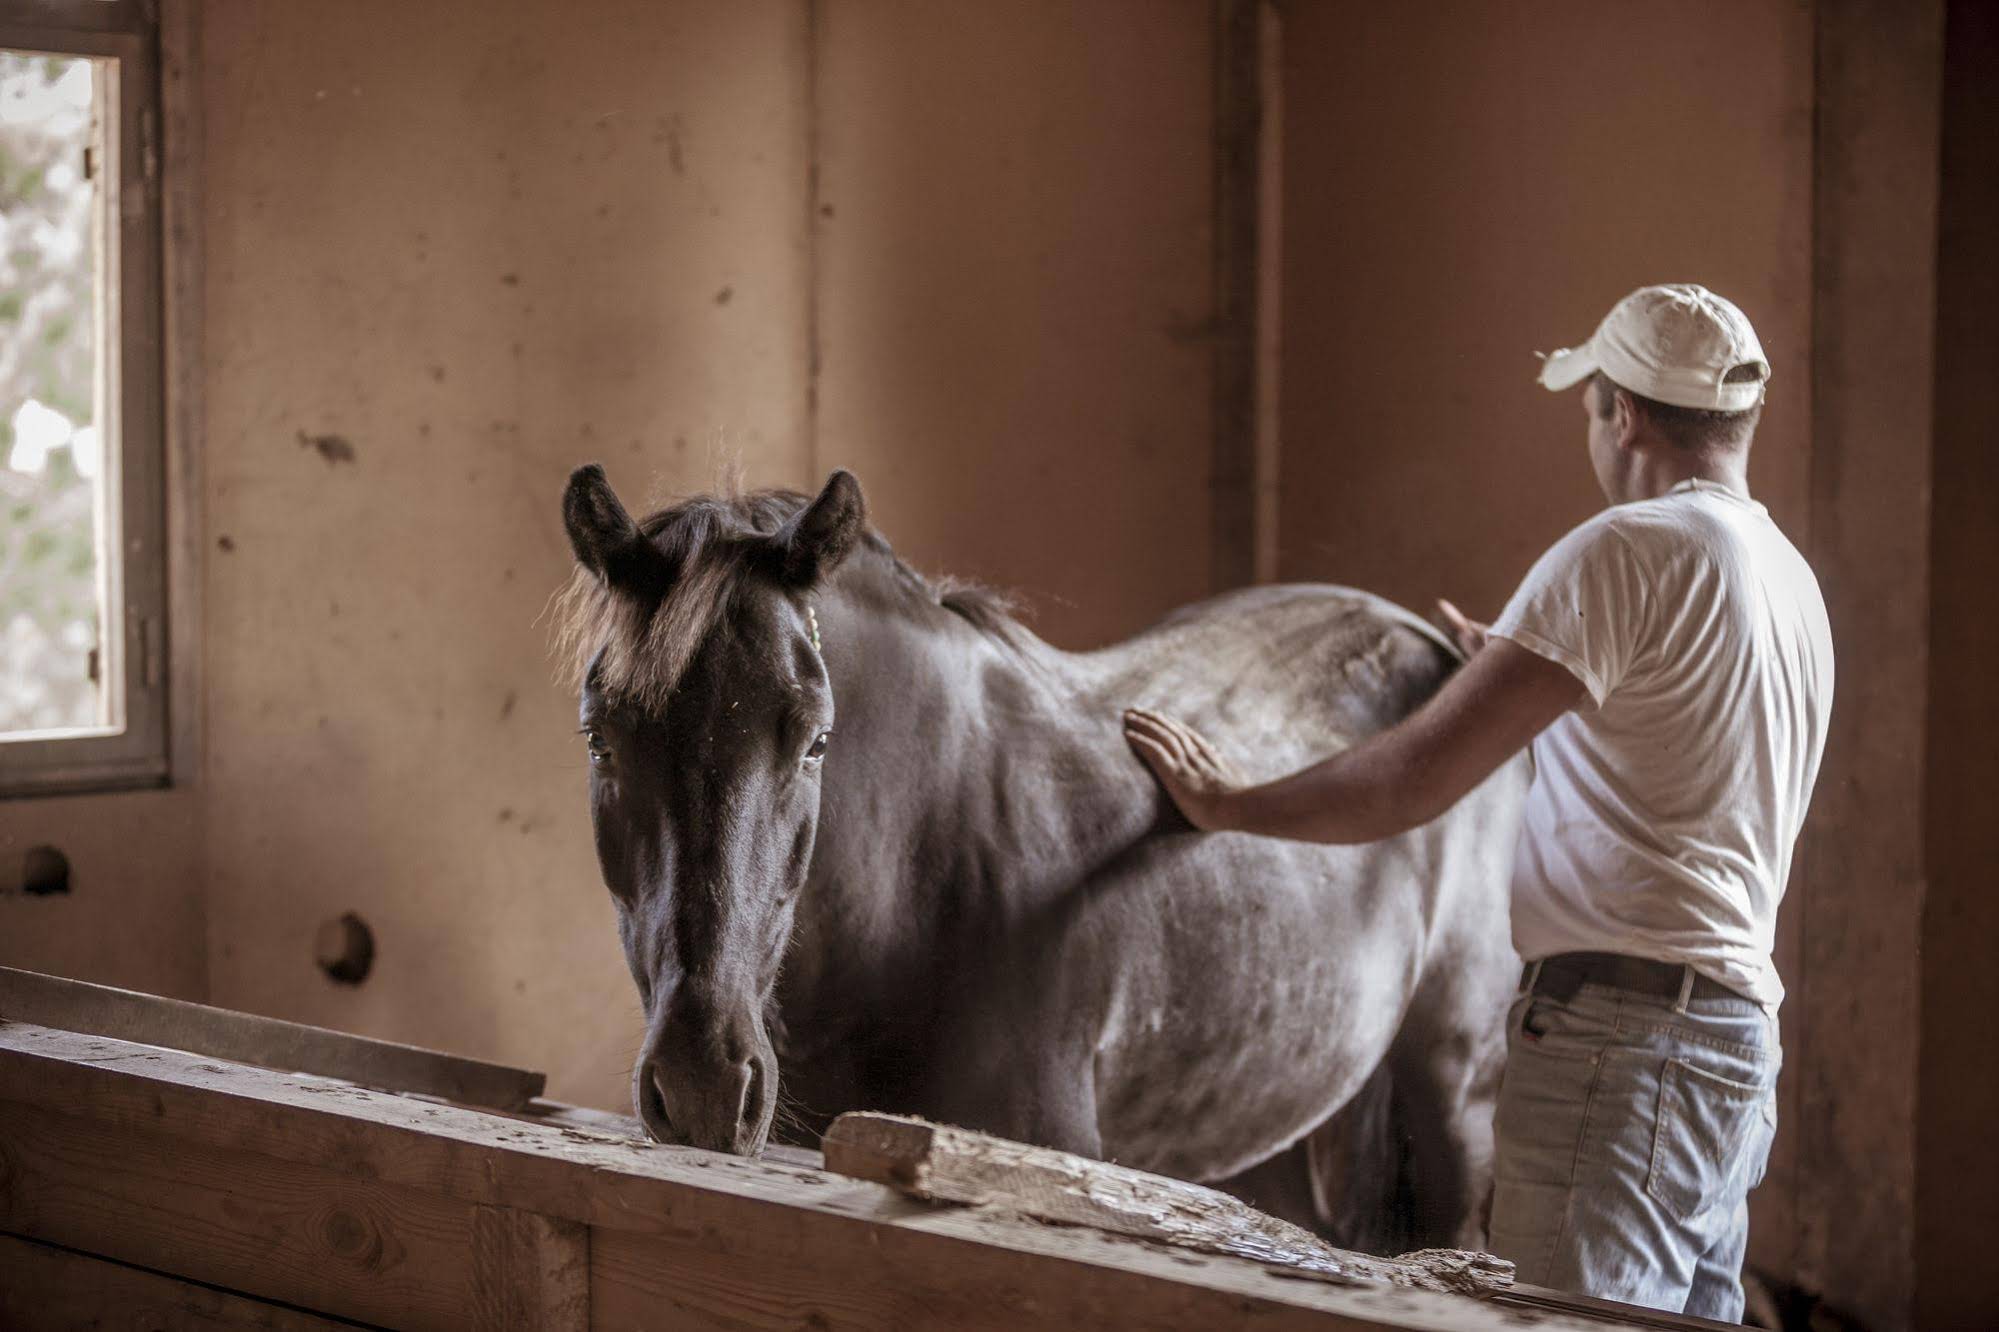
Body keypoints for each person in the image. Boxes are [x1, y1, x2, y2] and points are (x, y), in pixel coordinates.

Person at [1124, 283, 1833, 1322]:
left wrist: (1229, 803)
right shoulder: (1785, 579)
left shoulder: (1625, 551)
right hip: (1728, 1044)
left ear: (1622, 412)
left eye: (1591, 402)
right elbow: (1670, 749)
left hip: (1617, 1048)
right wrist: (1512, 674)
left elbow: (1410, 780)